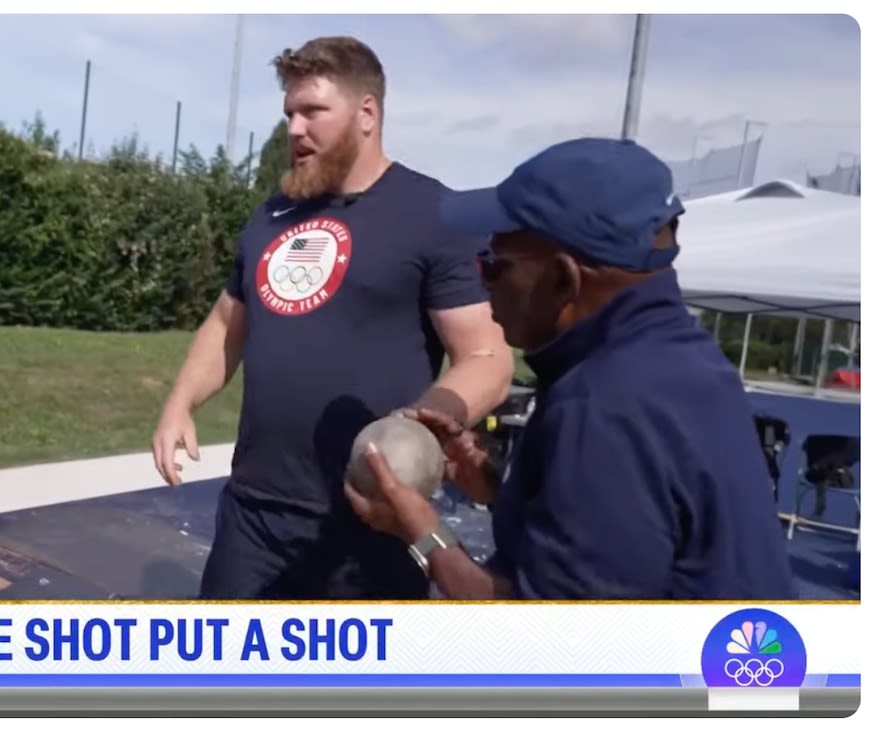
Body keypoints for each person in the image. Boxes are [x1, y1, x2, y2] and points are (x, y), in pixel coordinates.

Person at [346, 137, 798, 600]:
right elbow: (619, 531)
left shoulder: (606, 405)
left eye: (493, 266)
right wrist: (501, 486)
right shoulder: (682, 360)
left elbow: (551, 646)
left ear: (563, 279)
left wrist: (421, 531)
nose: (483, 284)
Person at [151, 36, 514, 600]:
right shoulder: (273, 214)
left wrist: (426, 420)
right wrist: (179, 404)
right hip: (254, 516)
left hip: (371, 521)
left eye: (313, 111)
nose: (295, 128)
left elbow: (487, 356)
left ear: (367, 113)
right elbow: (226, 322)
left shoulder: (432, 214)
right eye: (289, 113)